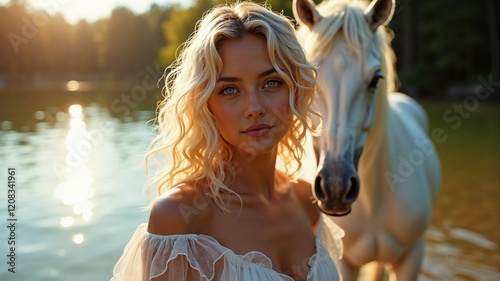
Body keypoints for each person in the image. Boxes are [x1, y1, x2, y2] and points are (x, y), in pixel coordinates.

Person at [111, 2, 344, 280]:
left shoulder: (307, 200)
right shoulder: (180, 219)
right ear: (205, 103)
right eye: (230, 89)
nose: (254, 107)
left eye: (271, 82)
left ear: (296, 89)